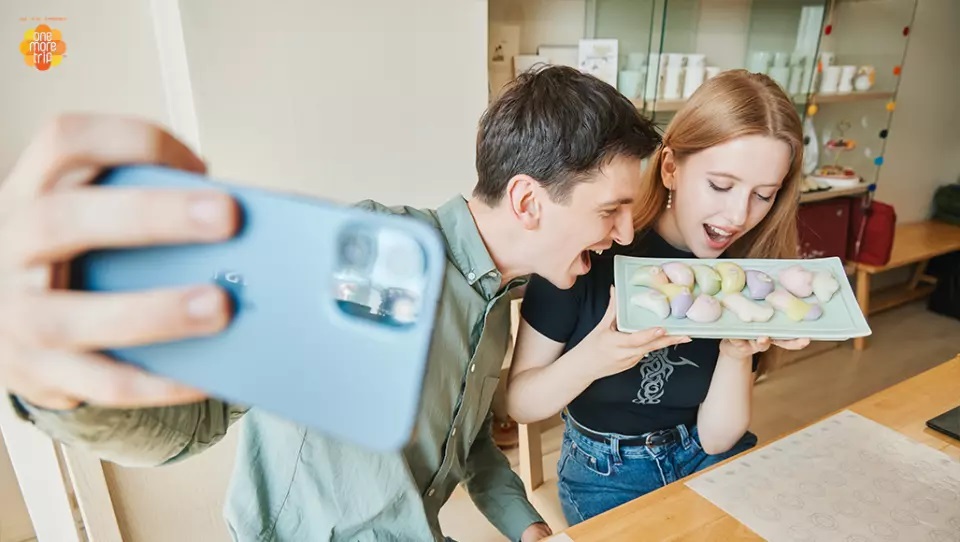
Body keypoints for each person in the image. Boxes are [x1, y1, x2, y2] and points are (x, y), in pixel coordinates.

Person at [0, 66, 678, 542]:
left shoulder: (499, 307)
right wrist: (57, 385)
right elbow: (199, 417)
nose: (623, 233)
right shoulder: (373, 254)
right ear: (529, 201)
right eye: (612, 209)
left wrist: (527, 528)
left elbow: (469, 450)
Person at [505, 69, 812, 527]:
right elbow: (519, 403)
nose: (737, 216)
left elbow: (716, 439)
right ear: (670, 167)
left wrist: (734, 351)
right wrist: (596, 356)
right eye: (721, 186)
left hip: (700, 454)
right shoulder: (588, 251)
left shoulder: (741, 275)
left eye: (763, 195)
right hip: (604, 472)